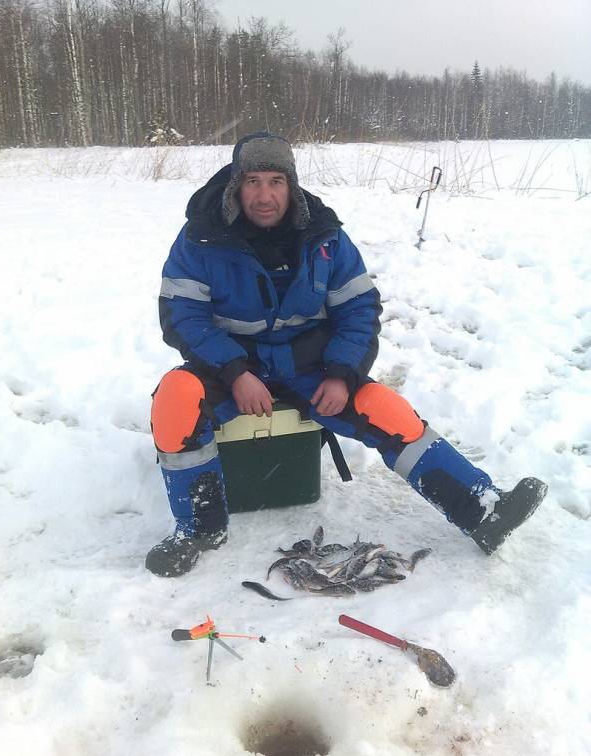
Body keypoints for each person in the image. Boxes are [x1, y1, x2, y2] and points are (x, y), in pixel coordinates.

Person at [147, 131, 547, 577]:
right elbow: (183, 315)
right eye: (253, 181)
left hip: (308, 366)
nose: (264, 195)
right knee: (176, 396)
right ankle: (198, 529)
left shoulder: (325, 236)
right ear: (235, 185)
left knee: (384, 407)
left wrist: (342, 373)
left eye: (276, 181)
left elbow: (358, 309)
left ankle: (480, 510)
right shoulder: (200, 238)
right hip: (230, 366)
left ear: (292, 185)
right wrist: (236, 371)